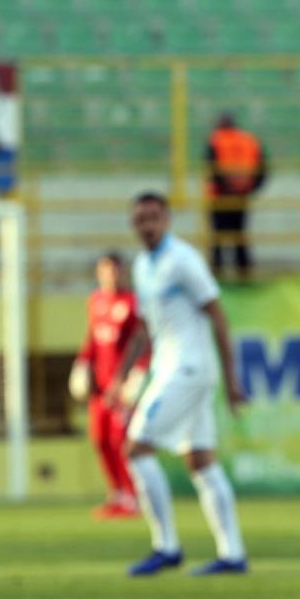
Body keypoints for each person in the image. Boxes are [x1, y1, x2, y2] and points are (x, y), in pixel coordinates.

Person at [107, 193, 249, 577]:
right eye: (140, 219)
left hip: (187, 369)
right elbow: (143, 328)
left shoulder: (183, 260)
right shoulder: (141, 265)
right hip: (172, 368)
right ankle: (232, 554)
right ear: (133, 225)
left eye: (154, 217)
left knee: (135, 449)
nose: (147, 224)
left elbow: (218, 316)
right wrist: (122, 374)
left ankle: (166, 546)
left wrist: (232, 380)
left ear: (167, 219)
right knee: (200, 460)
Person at [70, 252, 146, 520]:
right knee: (100, 439)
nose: (111, 276)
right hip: (100, 387)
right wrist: (82, 364)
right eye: (106, 271)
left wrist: (135, 375)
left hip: (122, 387)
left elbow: (143, 341)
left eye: (116, 270)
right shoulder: (96, 301)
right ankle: (117, 494)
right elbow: (92, 339)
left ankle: (134, 496)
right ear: (98, 274)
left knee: (122, 441)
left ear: (124, 272)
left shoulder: (133, 302)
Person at [205, 112, 266, 279]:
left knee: (218, 235)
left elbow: (210, 166)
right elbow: (263, 168)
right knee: (240, 234)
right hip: (242, 195)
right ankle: (244, 272)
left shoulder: (216, 139)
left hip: (219, 196)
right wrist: (250, 188)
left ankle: (217, 273)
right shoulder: (250, 140)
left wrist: (226, 187)